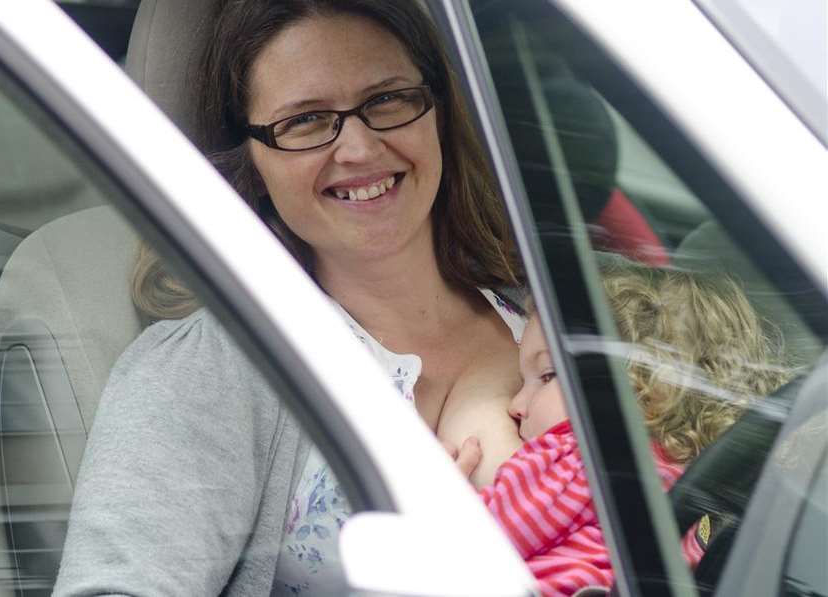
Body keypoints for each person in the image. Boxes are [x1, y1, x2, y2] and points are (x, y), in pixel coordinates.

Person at [55, 1, 526, 595]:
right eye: (304, 121)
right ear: (249, 160)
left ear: (436, 108)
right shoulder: (208, 372)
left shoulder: (572, 306)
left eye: (386, 100)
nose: (358, 148)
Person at [450, 264, 790, 597]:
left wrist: (444, 496)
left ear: (635, 386)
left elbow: (481, 540)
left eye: (547, 375)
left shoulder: (582, 459)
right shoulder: (695, 485)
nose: (516, 405)